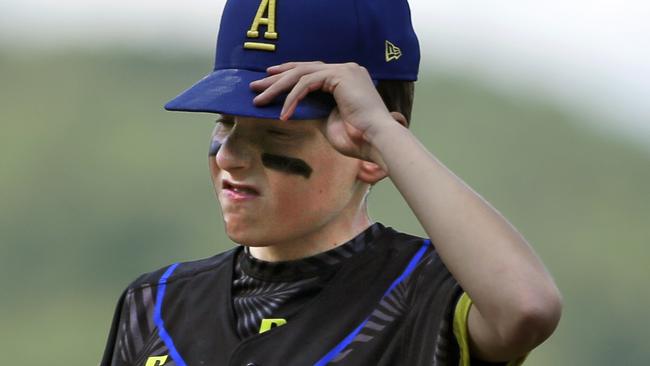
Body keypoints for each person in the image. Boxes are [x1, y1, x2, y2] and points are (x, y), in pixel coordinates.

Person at [100, 0, 562, 364]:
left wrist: (382, 134)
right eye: (225, 122)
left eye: (276, 131)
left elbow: (526, 309)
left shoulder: (422, 294)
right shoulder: (155, 304)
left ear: (370, 153)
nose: (229, 155)